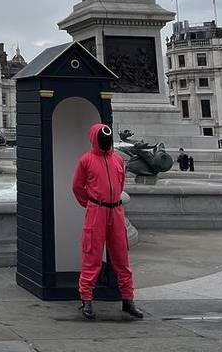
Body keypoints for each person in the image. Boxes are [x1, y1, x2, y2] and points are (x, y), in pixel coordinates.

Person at [71, 123, 143, 321]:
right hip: (97, 210)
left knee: (122, 257)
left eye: (107, 139)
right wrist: (92, 204)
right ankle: (86, 299)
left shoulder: (118, 160)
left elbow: (120, 185)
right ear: (95, 139)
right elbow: (77, 186)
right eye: (102, 139)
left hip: (116, 210)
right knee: (91, 256)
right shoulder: (86, 160)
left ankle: (128, 299)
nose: (105, 142)